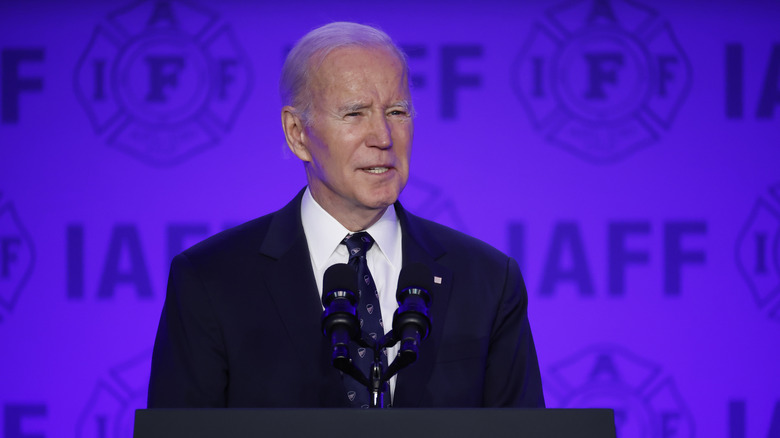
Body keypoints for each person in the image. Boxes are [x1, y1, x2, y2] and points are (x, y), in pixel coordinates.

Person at [147, 21, 544, 408]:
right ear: (297, 133)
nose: (383, 138)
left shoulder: (488, 280)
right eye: (355, 113)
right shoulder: (211, 280)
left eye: (397, 112)